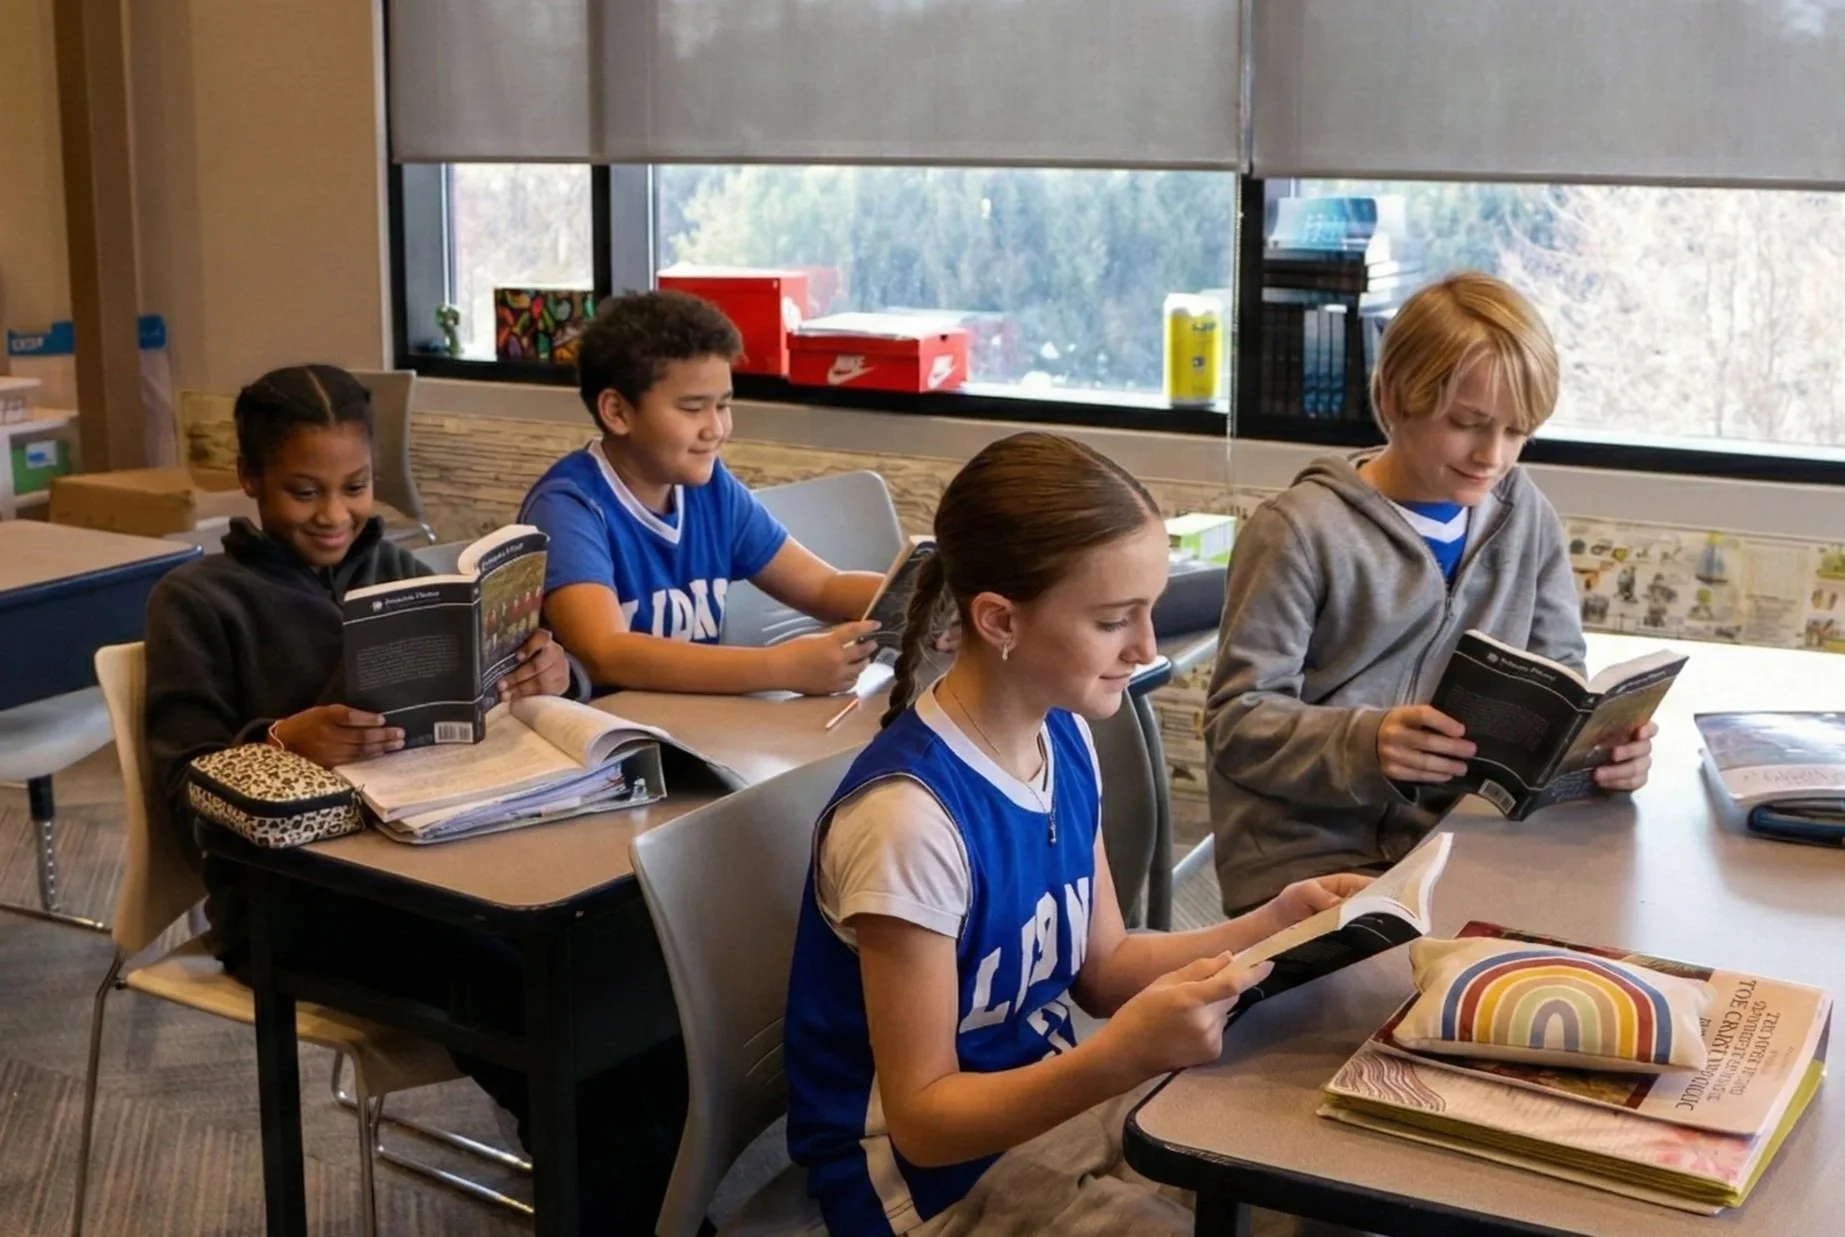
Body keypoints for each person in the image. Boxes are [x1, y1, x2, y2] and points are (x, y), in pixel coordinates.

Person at [782, 431, 1372, 1236]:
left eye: (1150, 611)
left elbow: (1104, 968)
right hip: (926, 1188)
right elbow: (921, 1122)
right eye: (1112, 620)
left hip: (1047, 1108)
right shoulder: (907, 821)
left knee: (1301, 1180)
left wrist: (1276, 922)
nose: (1147, 648)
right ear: (998, 619)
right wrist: (1119, 1055)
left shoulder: (1063, 734)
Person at [144, 364, 684, 1228]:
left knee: (630, 972)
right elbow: (183, 799)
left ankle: (645, 1200)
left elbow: (480, 710)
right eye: (303, 491)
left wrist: (556, 670)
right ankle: (616, 1201)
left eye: (355, 487)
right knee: (536, 996)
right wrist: (284, 740)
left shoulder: (395, 568)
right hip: (297, 902)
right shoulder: (199, 601)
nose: (334, 514)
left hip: (445, 856)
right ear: (248, 480)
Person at [1205, 271, 1656, 916]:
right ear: (1392, 399)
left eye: (1517, 430)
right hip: (1310, 860)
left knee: (1590, 949)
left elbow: (1562, 682)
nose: (1492, 455)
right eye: (1467, 423)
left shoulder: (1526, 517)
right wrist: (1365, 744)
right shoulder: (1297, 532)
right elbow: (1236, 724)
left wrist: (1599, 755)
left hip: (1458, 842)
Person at [521, 289, 887, 693]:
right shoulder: (568, 506)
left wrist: (929, 598)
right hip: (620, 748)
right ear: (617, 412)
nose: (716, 429)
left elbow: (824, 588)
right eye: (693, 409)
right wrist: (779, 668)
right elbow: (606, 654)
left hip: (700, 732)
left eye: (724, 405)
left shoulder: (713, 490)